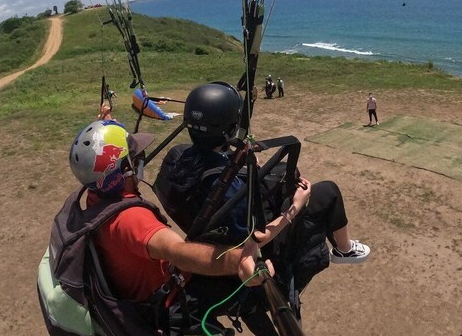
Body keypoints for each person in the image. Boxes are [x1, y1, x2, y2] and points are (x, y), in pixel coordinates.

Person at [68, 119, 286, 336]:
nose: (140, 159)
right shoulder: (131, 220)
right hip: (166, 303)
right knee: (242, 292)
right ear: (123, 171)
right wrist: (239, 261)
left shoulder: (96, 198)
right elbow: (178, 252)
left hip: (137, 289)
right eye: (134, 157)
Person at [155, 83, 370, 289]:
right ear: (229, 129)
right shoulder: (225, 190)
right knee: (328, 191)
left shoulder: (176, 157)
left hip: (201, 227)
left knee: (282, 170)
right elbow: (255, 240)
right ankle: (344, 249)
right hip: (242, 243)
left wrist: (234, 161)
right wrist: (293, 209)